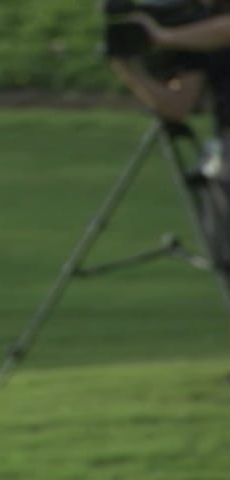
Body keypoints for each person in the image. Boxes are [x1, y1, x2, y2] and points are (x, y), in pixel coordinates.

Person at [107, 0, 230, 378]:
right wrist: (126, 65)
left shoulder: (200, 29)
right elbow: (176, 105)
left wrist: (164, 35)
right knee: (223, 249)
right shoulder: (196, 28)